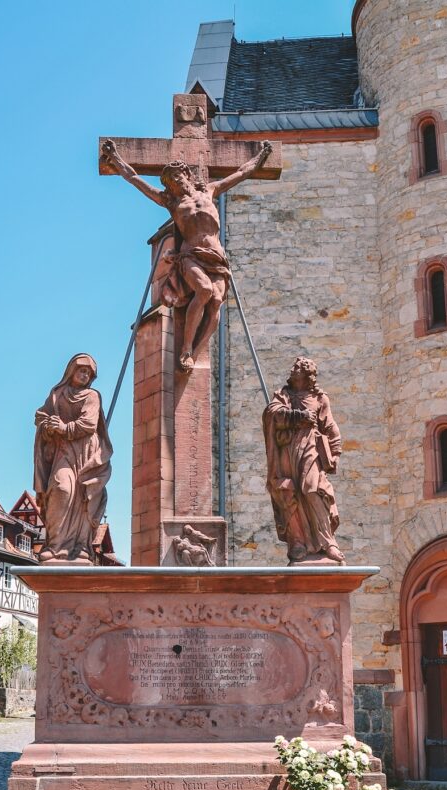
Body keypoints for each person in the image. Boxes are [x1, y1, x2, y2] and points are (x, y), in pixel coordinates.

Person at [101, 138, 272, 372]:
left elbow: (242, 172)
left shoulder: (210, 191)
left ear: (187, 176)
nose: (175, 183)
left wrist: (261, 156)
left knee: (215, 304)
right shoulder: (171, 202)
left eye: (177, 177)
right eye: (170, 182)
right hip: (190, 255)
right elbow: (134, 178)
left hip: (216, 257)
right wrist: (116, 158)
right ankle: (186, 348)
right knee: (204, 290)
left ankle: (197, 349)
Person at [263, 357, 345, 564]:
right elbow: (272, 414)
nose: (292, 370)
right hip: (287, 450)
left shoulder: (319, 398)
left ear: (307, 374)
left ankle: (328, 543)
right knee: (288, 491)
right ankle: (297, 542)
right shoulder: (283, 395)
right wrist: (297, 416)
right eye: (294, 367)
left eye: (297, 368)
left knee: (312, 490)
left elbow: (330, 426)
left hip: (310, 448)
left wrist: (335, 452)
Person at [34, 354, 112, 562]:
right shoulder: (57, 393)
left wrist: (62, 426)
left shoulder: (92, 396)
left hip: (88, 455)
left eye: (89, 373)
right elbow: (41, 418)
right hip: (65, 452)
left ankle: (81, 546)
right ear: (71, 370)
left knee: (86, 497)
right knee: (62, 489)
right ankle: (55, 545)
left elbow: (88, 424)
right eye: (82, 370)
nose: (85, 375)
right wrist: (48, 427)